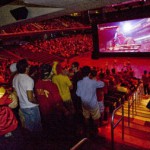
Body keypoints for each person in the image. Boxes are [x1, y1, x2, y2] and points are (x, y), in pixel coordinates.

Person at [35, 64, 68, 131]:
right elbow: (58, 102)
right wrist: (65, 110)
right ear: (48, 74)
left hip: (44, 111)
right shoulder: (52, 85)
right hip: (53, 112)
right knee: (57, 130)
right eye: (51, 72)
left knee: (48, 128)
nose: (53, 73)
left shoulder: (37, 83)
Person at [13, 59, 42, 133]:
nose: (29, 67)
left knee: (28, 128)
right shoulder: (29, 80)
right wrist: (38, 103)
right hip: (31, 107)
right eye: (28, 65)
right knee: (37, 129)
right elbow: (30, 98)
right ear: (26, 68)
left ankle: (30, 143)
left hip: (22, 106)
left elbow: (15, 93)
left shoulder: (15, 78)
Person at [76, 66, 104, 137]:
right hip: (92, 103)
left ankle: (87, 131)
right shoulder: (93, 82)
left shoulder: (79, 82)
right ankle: (95, 131)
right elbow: (102, 84)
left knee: (86, 117)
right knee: (95, 117)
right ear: (89, 74)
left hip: (84, 103)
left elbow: (78, 93)